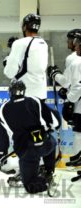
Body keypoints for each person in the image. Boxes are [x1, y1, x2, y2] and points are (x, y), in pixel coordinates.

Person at [0, 80, 61, 194]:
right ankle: (49, 171)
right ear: (24, 91)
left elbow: (2, 137)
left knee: (31, 186)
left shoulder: (2, 109)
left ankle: (42, 181)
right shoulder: (35, 100)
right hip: (44, 144)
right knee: (51, 142)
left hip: (25, 150)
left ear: (10, 92)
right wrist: (50, 128)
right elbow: (55, 120)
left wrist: (0, 154)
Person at [47, 32, 81, 163]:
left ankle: (78, 157)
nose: (71, 44)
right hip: (77, 98)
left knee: (79, 130)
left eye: (75, 42)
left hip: (78, 100)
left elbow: (71, 83)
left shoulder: (75, 60)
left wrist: (55, 75)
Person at [4, 13, 48, 100]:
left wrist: (7, 60)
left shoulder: (19, 43)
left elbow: (10, 73)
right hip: (41, 94)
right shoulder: (43, 43)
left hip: (23, 94)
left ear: (24, 27)